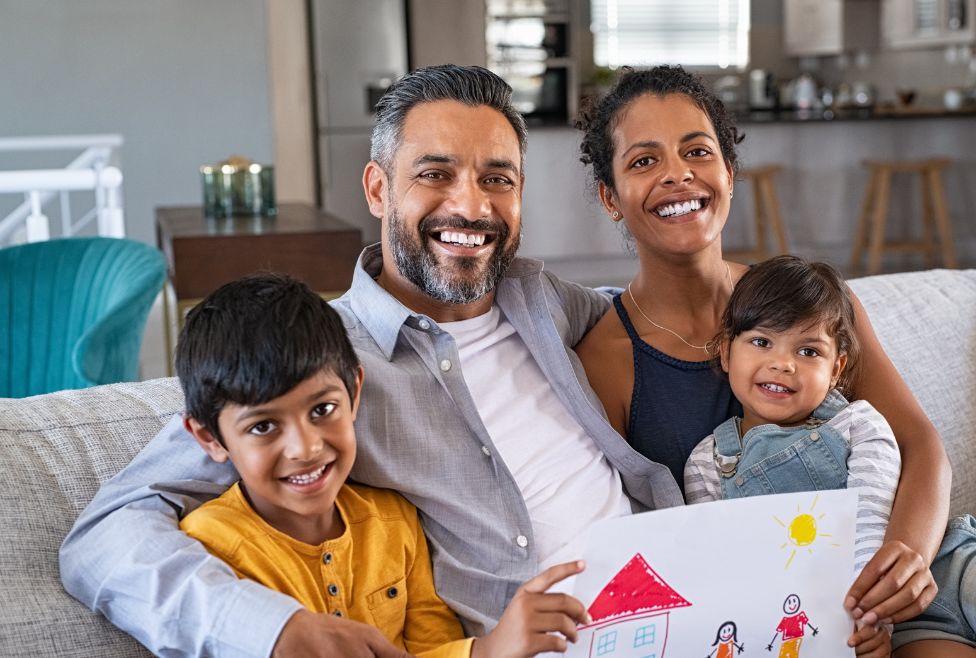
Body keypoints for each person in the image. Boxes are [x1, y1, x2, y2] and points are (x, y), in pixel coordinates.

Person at [60, 65, 677, 658]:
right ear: (379, 190)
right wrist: (273, 630)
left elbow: (650, 320)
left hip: (674, 604)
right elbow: (105, 535)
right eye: (436, 174)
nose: (472, 206)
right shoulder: (317, 364)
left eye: (498, 179)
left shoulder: (541, 298)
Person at [573, 65, 976, 657]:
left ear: (729, 173)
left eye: (697, 151)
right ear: (609, 197)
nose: (678, 174)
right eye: (644, 161)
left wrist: (907, 557)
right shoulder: (607, 360)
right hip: (823, 622)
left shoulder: (811, 303)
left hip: (929, 563)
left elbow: (919, 443)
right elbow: (638, 548)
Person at [682, 255, 976, 658]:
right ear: (725, 351)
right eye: (761, 342)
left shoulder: (860, 425)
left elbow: (870, 526)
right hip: (884, 627)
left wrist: (867, 613)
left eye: (808, 351)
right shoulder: (709, 463)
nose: (784, 364)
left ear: (837, 368)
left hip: (949, 568)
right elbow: (730, 571)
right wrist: (858, 628)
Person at [174, 273, 589, 658]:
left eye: (323, 409)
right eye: (264, 426)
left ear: (355, 391)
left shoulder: (394, 520)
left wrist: (489, 648)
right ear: (209, 437)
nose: (305, 447)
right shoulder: (209, 546)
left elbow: (433, 643)